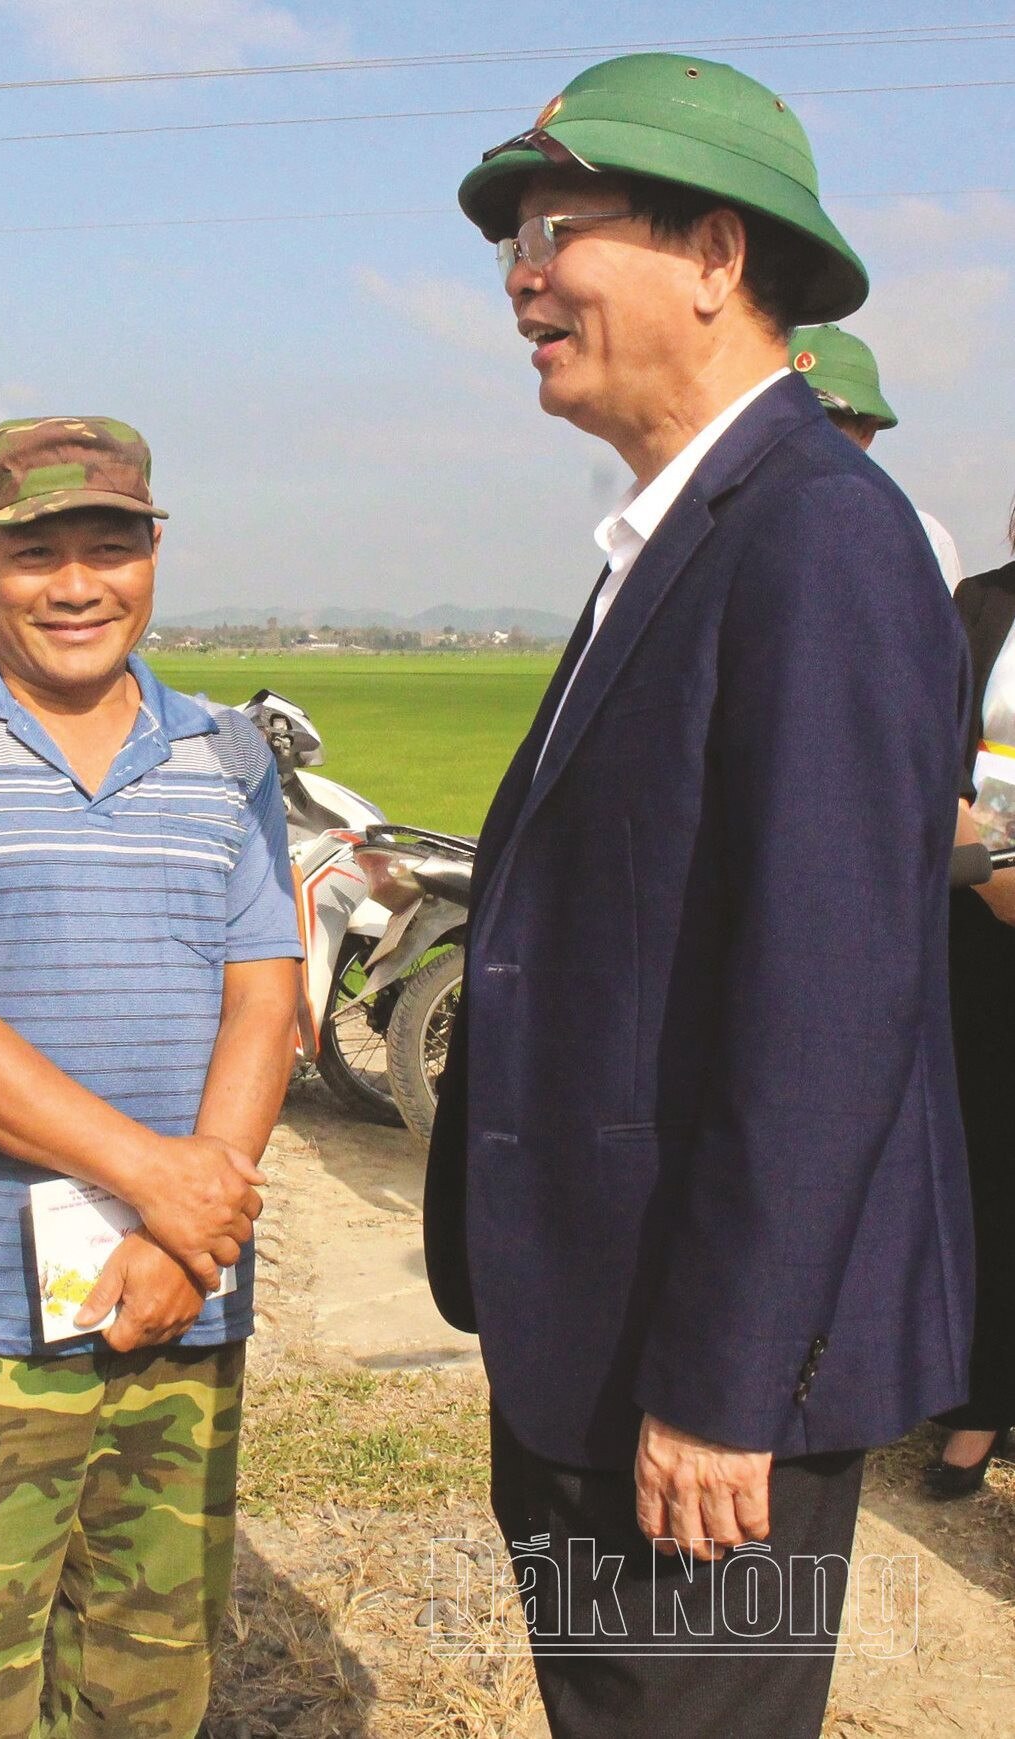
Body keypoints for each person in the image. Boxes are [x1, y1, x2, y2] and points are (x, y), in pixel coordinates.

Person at [425, 54, 971, 1738]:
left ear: (715, 255)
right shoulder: (676, 536)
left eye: (561, 223)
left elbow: (824, 1001)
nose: (521, 270)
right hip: (608, 1337)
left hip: (703, 1380)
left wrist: (725, 1385)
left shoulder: (817, 534)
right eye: (512, 232)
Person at [0, 416, 302, 1734]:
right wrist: (161, 1180)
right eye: (36, 552)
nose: (76, 582)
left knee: (147, 1678)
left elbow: (262, 999)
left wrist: (182, 1238)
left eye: (110, 544)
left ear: (156, 553)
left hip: (181, 1299)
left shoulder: (225, 755)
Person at [933, 503, 1015, 1496]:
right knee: (986, 1153)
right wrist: (991, 873)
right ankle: (980, 1397)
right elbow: (933, 749)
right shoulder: (978, 604)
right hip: (984, 911)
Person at [789, 323, 965, 589]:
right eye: (787, 421)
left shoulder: (924, 540)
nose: (802, 438)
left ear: (867, 432)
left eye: (826, 423)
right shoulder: (727, 527)